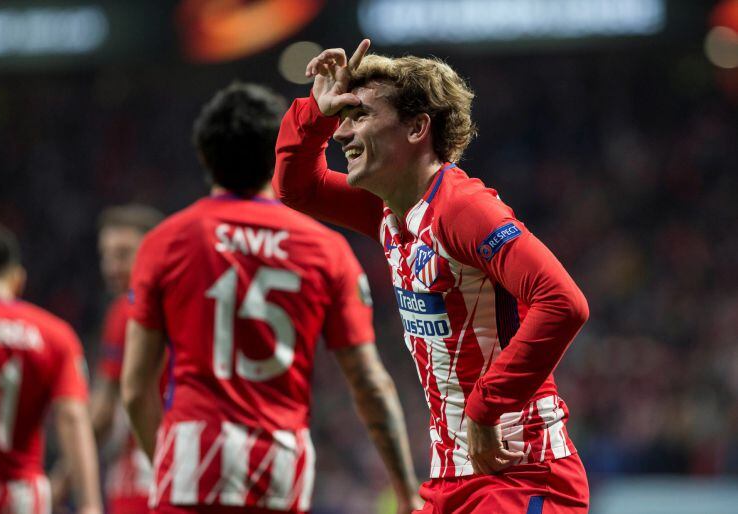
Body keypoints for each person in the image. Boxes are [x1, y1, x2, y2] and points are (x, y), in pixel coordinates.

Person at [273, 39, 590, 513]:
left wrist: (486, 408)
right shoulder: (391, 212)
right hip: (452, 477)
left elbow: (563, 302)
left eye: (359, 116)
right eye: (342, 120)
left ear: (419, 127)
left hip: (519, 471)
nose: (342, 134)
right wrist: (315, 113)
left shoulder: (462, 209)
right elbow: (297, 187)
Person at [121, 82, 421, 514]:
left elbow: (135, 389)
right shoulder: (325, 249)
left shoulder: (165, 242)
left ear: (205, 156)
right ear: (273, 156)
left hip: (191, 461)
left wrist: (167, 461)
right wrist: (404, 487)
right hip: (279, 466)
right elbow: (369, 382)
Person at [0, 222, 101, 514]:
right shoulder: (55, 335)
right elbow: (72, 417)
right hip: (24, 499)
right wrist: (90, 504)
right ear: (18, 280)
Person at [53, 205, 165, 513]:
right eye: (106, 255)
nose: (111, 266)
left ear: (153, 251)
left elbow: (102, 411)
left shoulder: (129, 308)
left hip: (142, 473)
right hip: (187, 465)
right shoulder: (185, 300)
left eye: (123, 254)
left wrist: (62, 481)